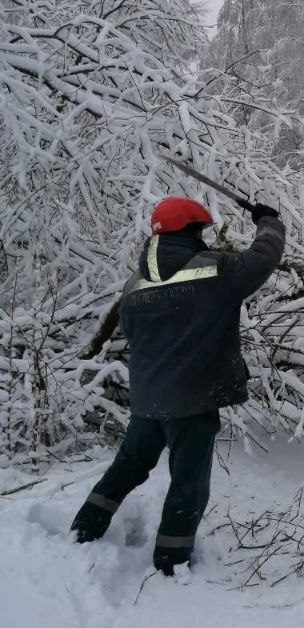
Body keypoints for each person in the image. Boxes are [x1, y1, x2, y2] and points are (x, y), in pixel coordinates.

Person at [69, 196, 285, 575]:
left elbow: (133, 335)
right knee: (188, 482)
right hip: (192, 401)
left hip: (148, 398)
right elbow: (264, 258)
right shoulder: (214, 269)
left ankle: (84, 528)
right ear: (191, 231)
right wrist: (268, 221)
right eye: (200, 229)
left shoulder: (133, 285)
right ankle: (171, 560)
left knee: (128, 465)